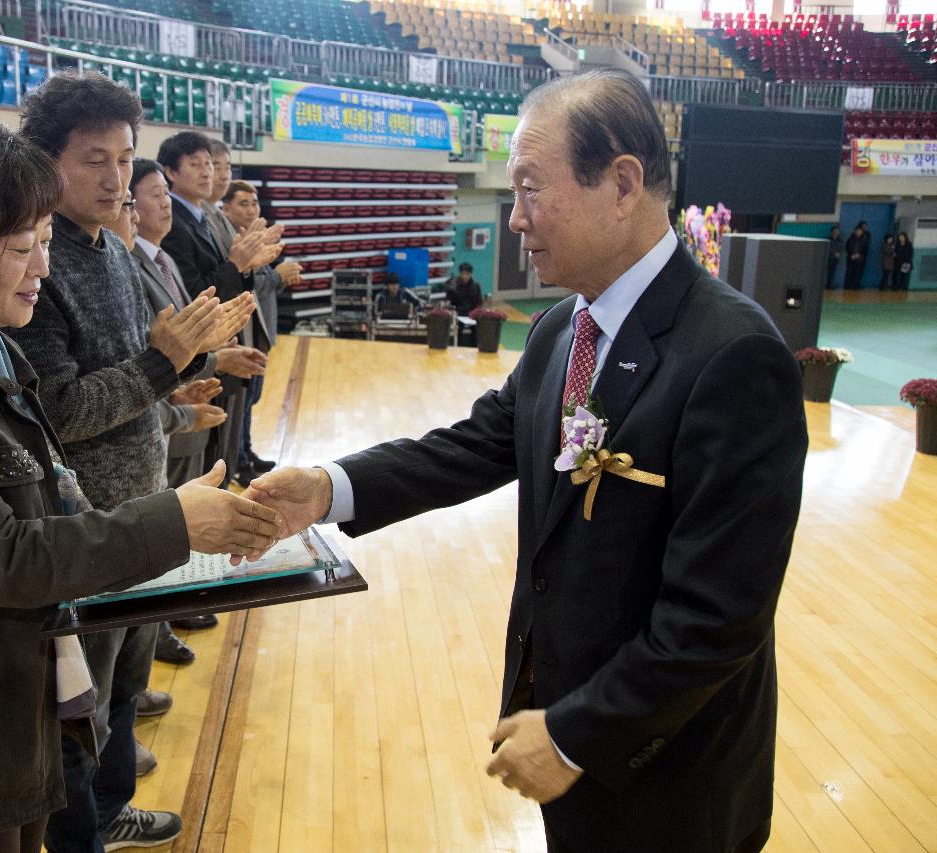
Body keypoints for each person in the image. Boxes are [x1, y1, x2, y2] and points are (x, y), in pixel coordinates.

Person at [245, 69, 807, 853]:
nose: (514, 220)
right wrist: (326, 488)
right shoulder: (559, 332)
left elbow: (718, 619)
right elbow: (473, 447)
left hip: (667, 770)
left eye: (531, 189)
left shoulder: (734, 355)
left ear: (621, 183)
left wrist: (577, 733)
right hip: (562, 737)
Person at [0, 115, 282, 853]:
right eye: (21, 247)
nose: (42, 266)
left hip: (15, 705)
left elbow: (53, 496)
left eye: (42, 241)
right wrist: (176, 523)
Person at [11, 72, 254, 853]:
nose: (117, 177)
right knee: (77, 712)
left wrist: (178, 395)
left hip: (144, 513)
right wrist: (162, 366)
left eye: (124, 157)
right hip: (88, 532)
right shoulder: (36, 269)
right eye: (94, 160)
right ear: (45, 164)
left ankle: (112, 810)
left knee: (122, 690)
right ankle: (81, 835)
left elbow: (129, 375)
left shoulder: (109, 251)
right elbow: (61, 411)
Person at [128, 157, 266, 663]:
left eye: (166, 194)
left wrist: (209, 355)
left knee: (181, 502)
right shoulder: (132, 263)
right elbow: (152, 351)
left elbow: (183, 338)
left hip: (180, 399)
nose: (162, 203)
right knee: (163, 515)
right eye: (151, 193)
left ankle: (165, 615)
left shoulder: (158, 257)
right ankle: (157, 624)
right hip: (158, 416)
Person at [158, 130, 282, 488]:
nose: (207, 172)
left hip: (226, 337)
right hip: (205, 347)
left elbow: (227, 275)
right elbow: (197, 291)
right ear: (171, 172)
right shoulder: (178, 224)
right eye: (195, 164)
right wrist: (238, 264)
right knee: (207, 448)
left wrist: (244, 266)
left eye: (210, 164)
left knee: (225, 433)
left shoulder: (201, 217)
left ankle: (229, 480)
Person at [219, 178, 303, 484]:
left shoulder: (254, 241)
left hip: (261, 331)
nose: (252, 209)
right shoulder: (236, 245)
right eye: (243, 203)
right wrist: (279, 277)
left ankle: (245, 451)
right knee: (243, 400)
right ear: (225, 208)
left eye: (255, 203)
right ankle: (239, 458)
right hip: (245, 330)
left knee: (251, 399)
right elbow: (251, 286)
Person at [844, 220, 870, 290]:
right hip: (850, 258)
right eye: (857, 230)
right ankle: (847, 286)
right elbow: (847, 247)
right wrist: (851, 254)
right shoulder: (850, 238)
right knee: (849, 272)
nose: (858, 232)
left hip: (859, 259)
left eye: (860, 231)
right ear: (855, 231)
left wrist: (859, 254)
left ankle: (854, 286)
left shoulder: (865, 240)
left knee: (857, 273)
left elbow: (865, 250)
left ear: (862, 232)